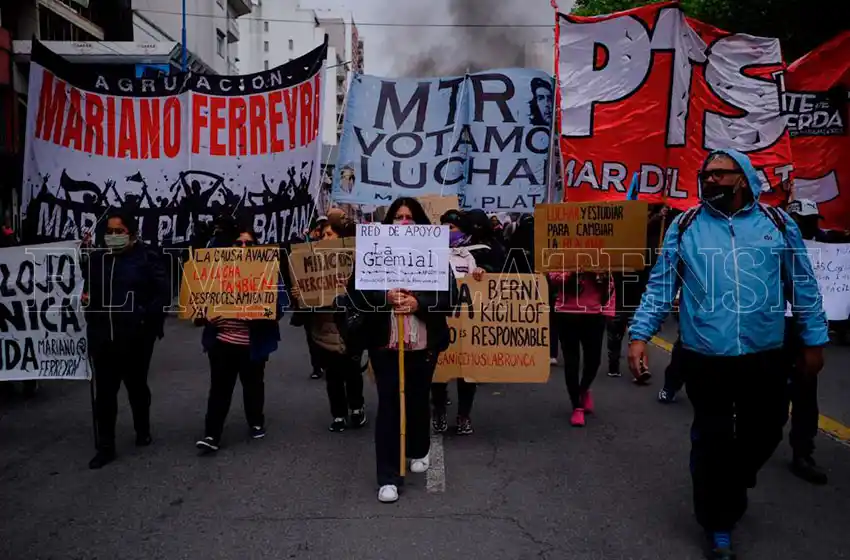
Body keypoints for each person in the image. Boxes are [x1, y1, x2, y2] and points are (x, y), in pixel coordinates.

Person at [628, 149, 828, 560]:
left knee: (768, 430)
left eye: (721, 174)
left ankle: (734, 483)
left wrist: (813, 340)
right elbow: (662, 285)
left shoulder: (777, 224)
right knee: (713, 440)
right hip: (706, 356)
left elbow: (803, 285)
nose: (711, 180)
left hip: (766, 353)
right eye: (706, 174)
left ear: (744, 178)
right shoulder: (686, 227)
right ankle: (717, 523)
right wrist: (639, 335)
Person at [347, 197, 457, 503]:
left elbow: (449, 298)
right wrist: (386, 297)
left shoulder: (436, 255)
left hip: (424, 344)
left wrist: (418, 303)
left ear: (419, 222)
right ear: (389, 222)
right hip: (386, 343)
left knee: (418, 399)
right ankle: (388, 476)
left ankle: (417, 448)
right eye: (398, 216)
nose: (404, 221)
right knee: (389, 405)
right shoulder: (372, 253)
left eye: (409, 216)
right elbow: (355, 291)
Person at [84, 212, 169, 469]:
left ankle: (142, 428)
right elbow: (83, 288)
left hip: (136, 338)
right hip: (103, 336)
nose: (113, 236)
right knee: (105, 393)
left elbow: (162, 293)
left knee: (136, 386)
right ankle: (106, 446)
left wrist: (144, 319)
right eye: (109, 231)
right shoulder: (97, 260)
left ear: (132, 234)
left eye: (118, 231)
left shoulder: (147, 258)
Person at [195, 226, 284, 453]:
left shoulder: (267, 271)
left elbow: (278, 308)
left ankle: (255, 420)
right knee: (219, 389)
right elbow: (197, 304)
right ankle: (211, 434)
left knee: (253, 386)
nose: (243, 248)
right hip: (222, 342)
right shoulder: (215, 270)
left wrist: (260, 310)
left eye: (248, 244)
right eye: (238, 243)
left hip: (252, 345)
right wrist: (204, 314)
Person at [291, 219, 367, 433]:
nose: (326, 238)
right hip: (323, 329)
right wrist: (298, 296)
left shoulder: (354, 260)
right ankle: (338, 414)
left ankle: (356, 407)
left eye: (331, 235)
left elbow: (366, 295)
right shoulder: (309, 261)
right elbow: (304, 303)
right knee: (333, 376)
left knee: (352, 373)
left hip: (350, 328)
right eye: (323, 235)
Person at [783, 199, 838, 485]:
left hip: (805, 328)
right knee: (769, 396)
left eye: (814, 220)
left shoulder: (826, 246)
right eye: (806, 222)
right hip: (773, 328)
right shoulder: (773, 243)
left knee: (805, 394)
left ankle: (803, 452)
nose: (811, 226)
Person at [431, 210, 488, 436]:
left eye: (452, 227)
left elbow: (475, 283)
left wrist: (479, 274)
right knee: (439, 369)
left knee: (467, 371)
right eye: (443, 226)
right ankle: (439, 412)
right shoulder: (433, 252)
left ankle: (464, 415)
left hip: (464, 321)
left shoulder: (467, 256)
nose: (447, 231)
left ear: (463, 231)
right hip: (441, 318)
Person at [549, 270, 615, 427]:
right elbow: (553, 277)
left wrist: (609, 311)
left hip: (593, 314)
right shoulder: (563, 252)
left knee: (594, 361)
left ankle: (583, 389)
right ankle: (576, 406)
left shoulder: (600, 254)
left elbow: (611, 282)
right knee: (572, 361)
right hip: (567, 313)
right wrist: (572, 271)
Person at [292, 215, 327, 379]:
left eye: (322, 230)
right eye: (317, 230)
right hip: (309, 299)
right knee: (311, 334)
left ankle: (326, 362)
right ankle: (317, 366)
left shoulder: (330, 246)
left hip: (326, 298)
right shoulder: (303, 244)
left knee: (326, 331)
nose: (319, 233)